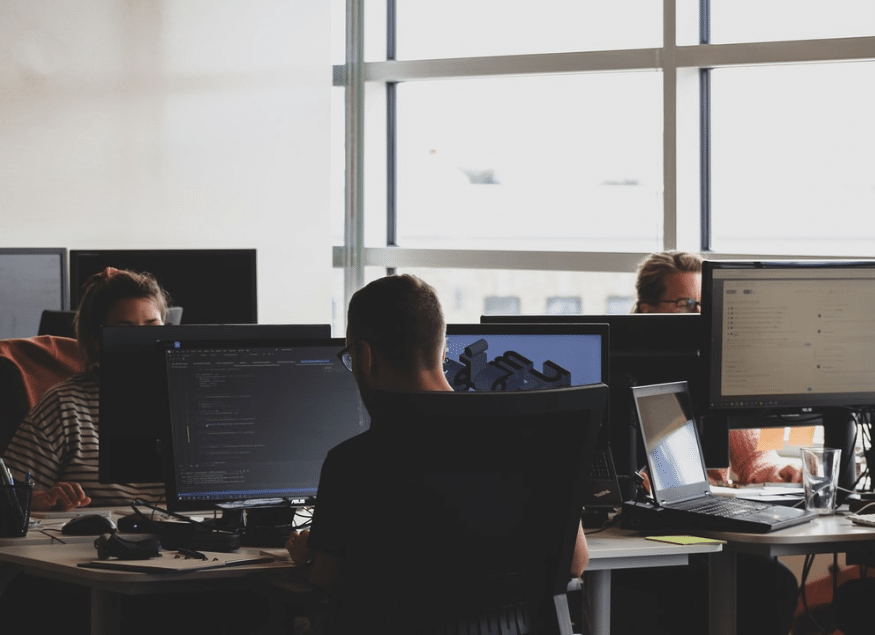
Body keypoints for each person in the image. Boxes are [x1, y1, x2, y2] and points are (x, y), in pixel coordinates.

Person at [285, 274, 588, 632]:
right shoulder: (532, 440)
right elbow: (575, 562)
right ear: (443, 352)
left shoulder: (352, 462)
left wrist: (308, 558)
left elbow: (331, 577)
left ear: (365, 357)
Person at [2, 267, 167, 510]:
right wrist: (40, 499)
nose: (142, 341)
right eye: (125, 330)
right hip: (100, 542)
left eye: (153, 328)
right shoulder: (65, 404)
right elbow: (7, 499)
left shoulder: (192, 396)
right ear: (95, 340)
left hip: (196, 536)